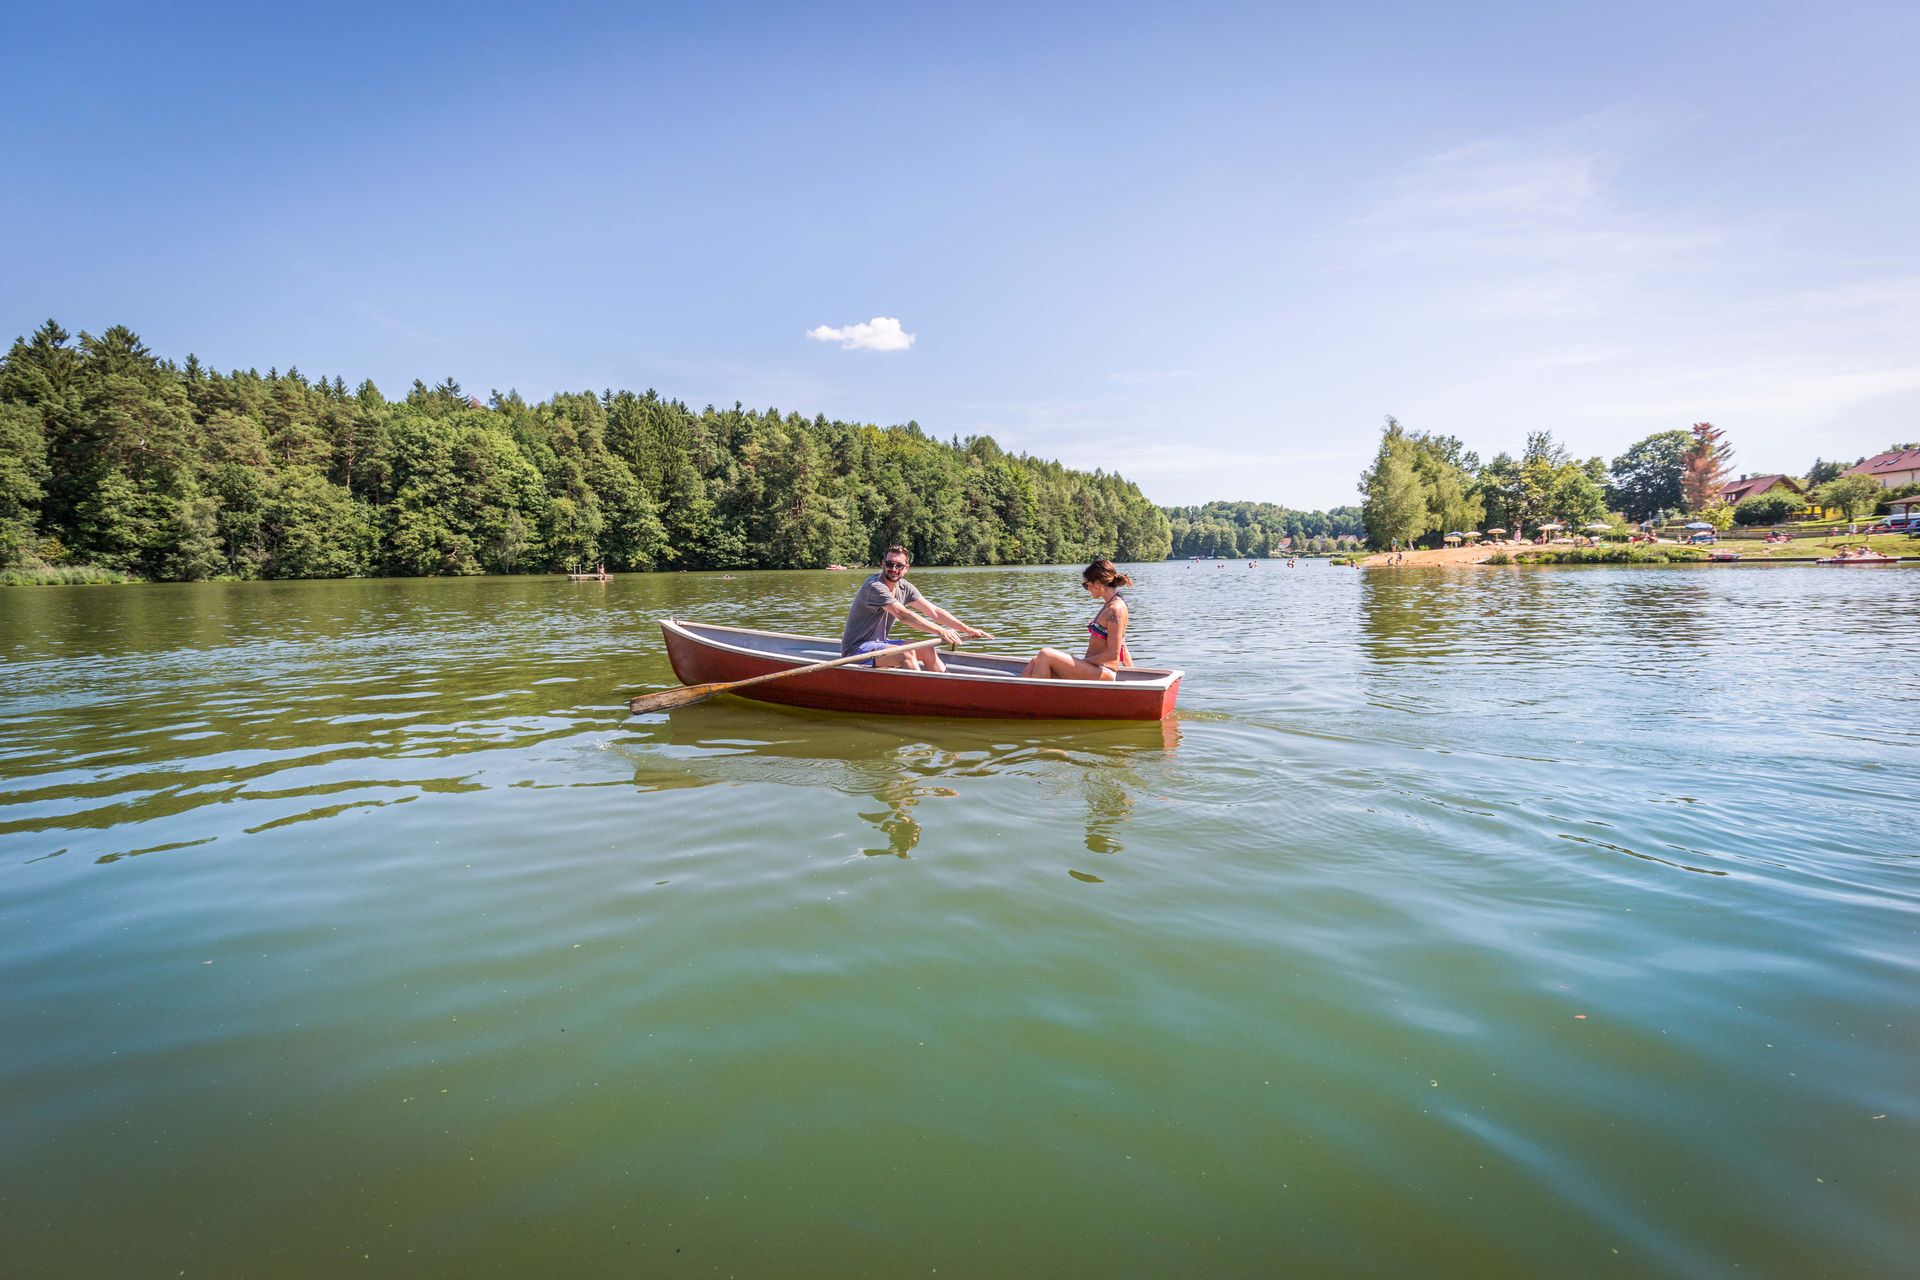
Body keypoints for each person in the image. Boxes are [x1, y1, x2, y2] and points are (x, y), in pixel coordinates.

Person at [840, 545, 991, 671]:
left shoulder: (904, 587)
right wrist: (941, 631)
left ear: (906, 568)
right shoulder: (874, 586)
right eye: (889, 564)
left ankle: (944, 687)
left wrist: (967, 629)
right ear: (882, 564)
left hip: (880, 644)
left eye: (899, 565)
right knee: (906, 654)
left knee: (927, 648)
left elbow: (935, 612)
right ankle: (924, 695)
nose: (893, 569)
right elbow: (903, 615)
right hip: (856, 651)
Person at [1020, 559, 1134, 681]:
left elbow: (1113, 654)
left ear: (1097, 583)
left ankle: (1036, 697)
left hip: (1103, 671)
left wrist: (1081, 662)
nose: (1087, 589)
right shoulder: (1109, 605)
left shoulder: (1115, 609)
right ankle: (1019, 696)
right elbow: (1122, 641)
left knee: (1046, 654)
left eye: (1086, 585)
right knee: (1036, 660)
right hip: (1092, 668)